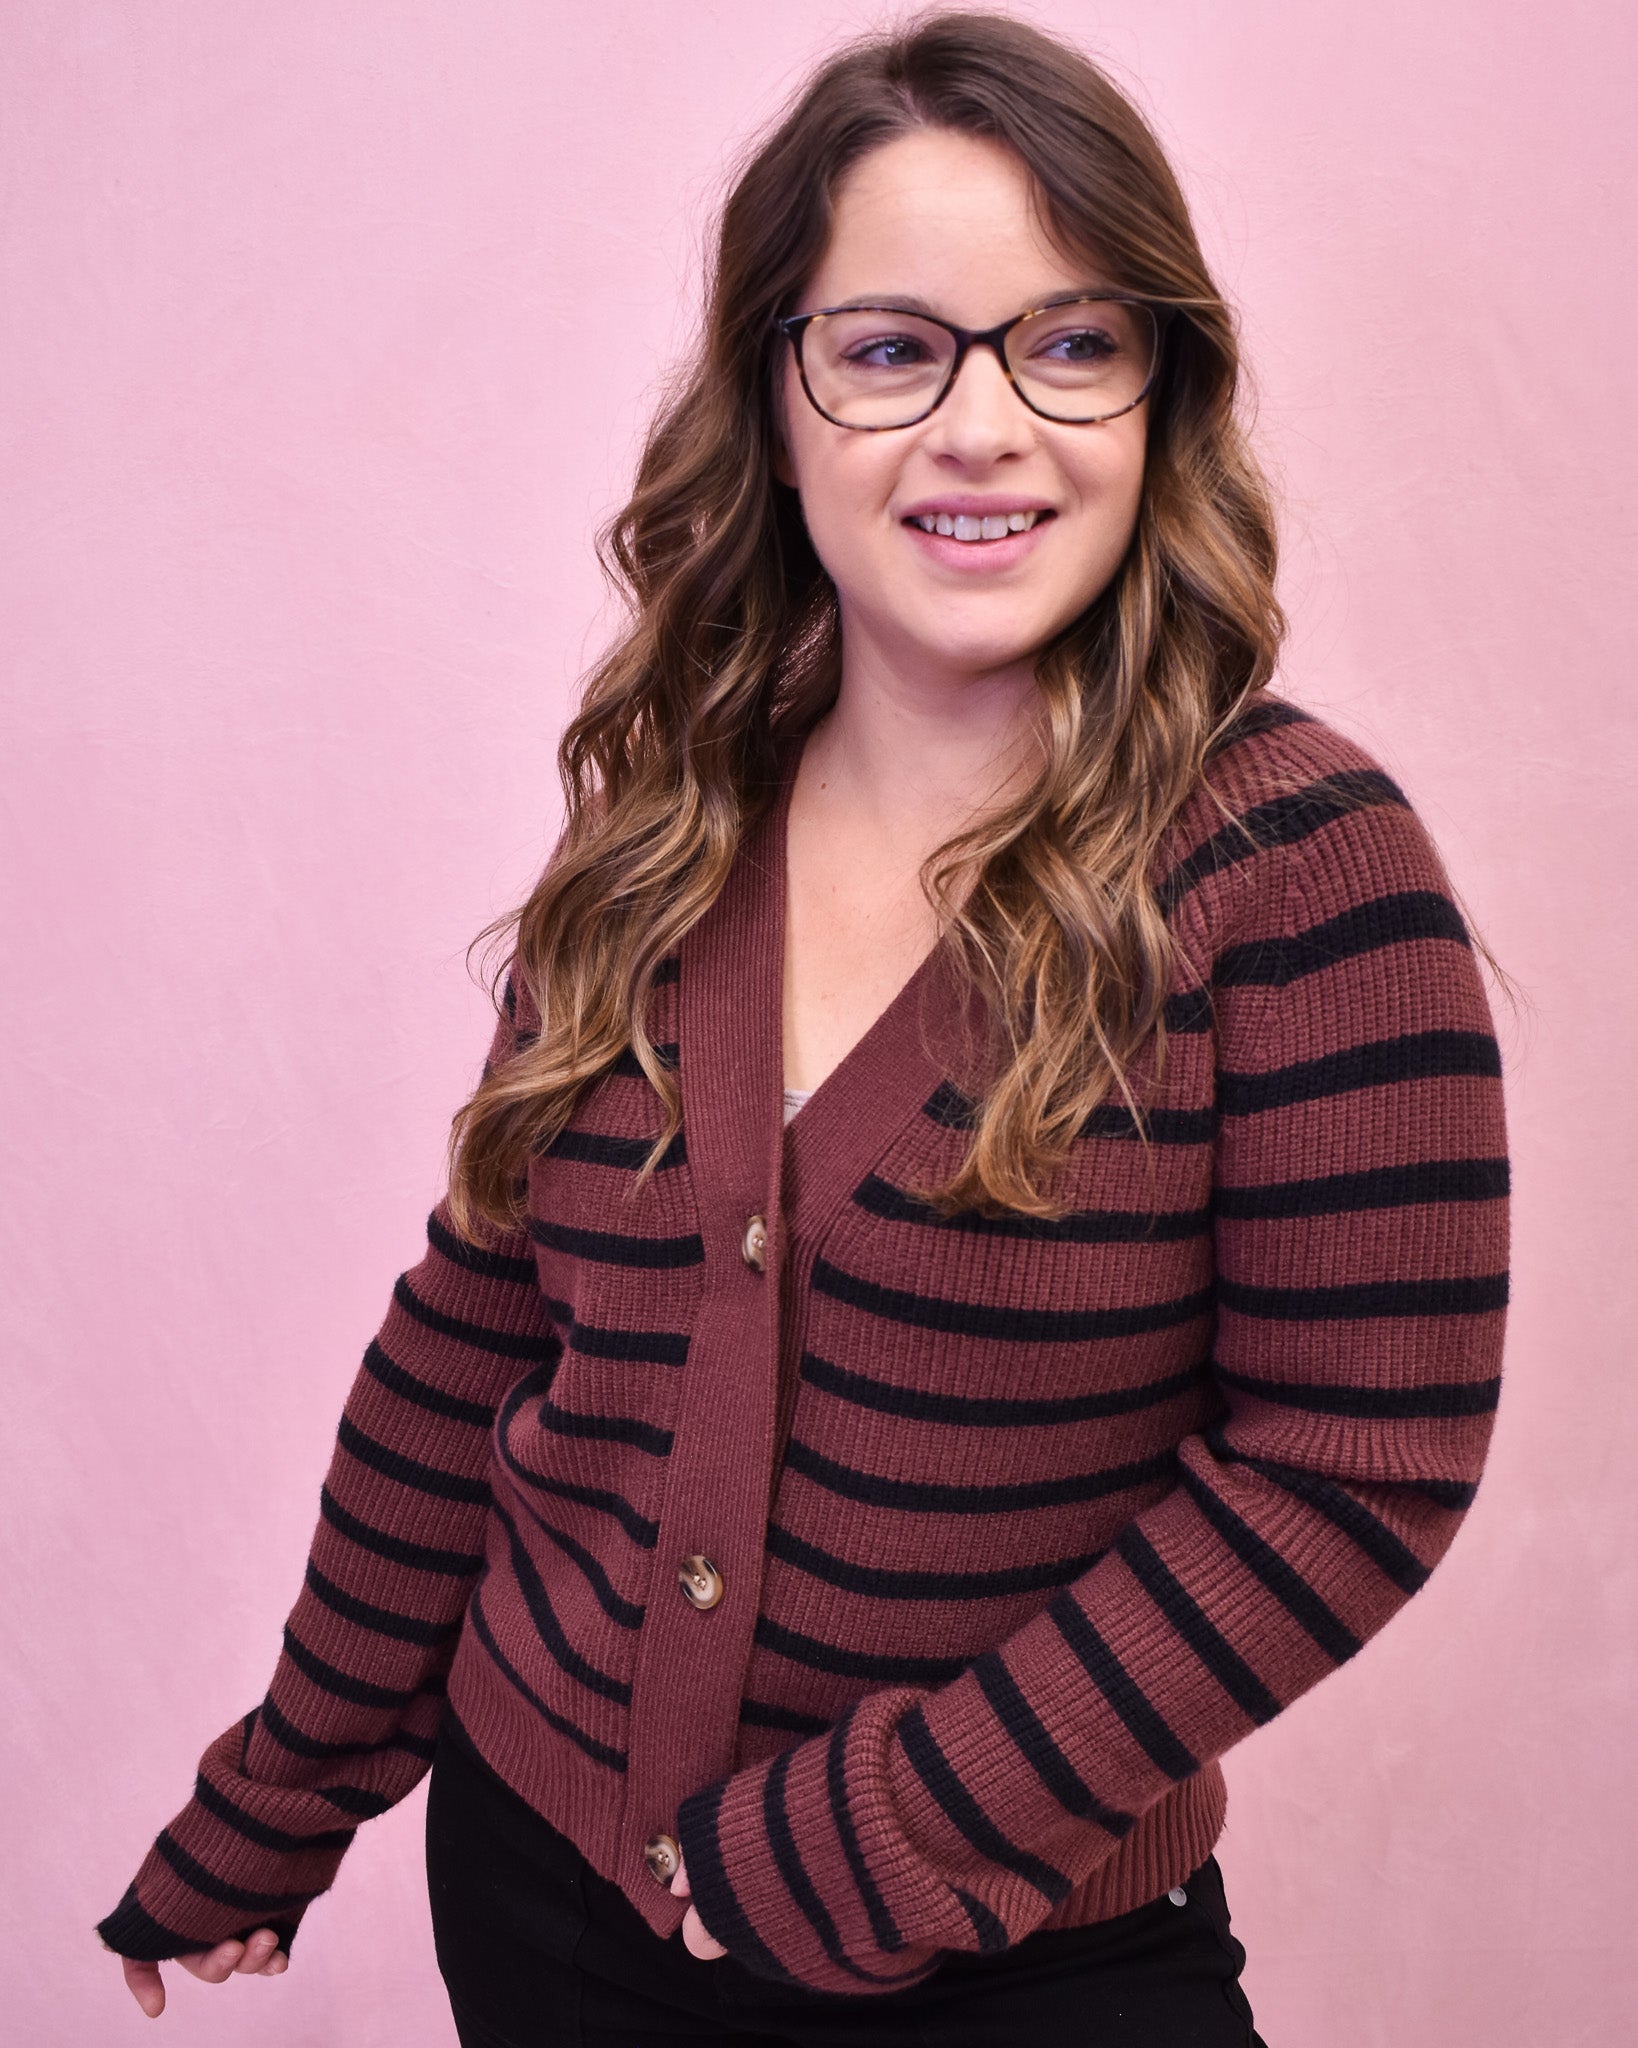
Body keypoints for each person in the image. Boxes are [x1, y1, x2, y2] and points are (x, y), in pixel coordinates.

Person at [95, 14, 1509, 2044]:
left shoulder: (1298, 867)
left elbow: (1352, 1456)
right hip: (541, 1887)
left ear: (1159, 398)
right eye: (890, 346)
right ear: (776, 400)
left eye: (1073, 341)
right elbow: (478, 1335)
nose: (985, 424)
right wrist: (289, 1780)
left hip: (1014, 1961)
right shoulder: (675, 820)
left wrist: (872, 1831)